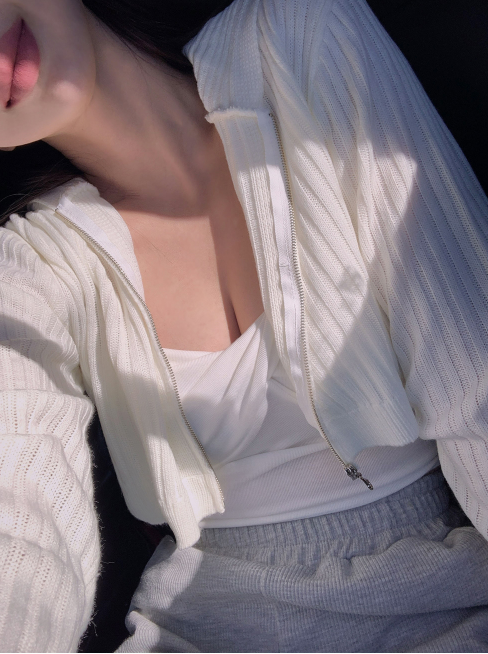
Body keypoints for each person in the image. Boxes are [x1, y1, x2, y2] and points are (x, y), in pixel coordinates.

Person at [1, 0, 488, 651]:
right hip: (199, 622)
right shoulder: (32, 263)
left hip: (441, 598)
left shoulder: (299, 37)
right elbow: (16, 512)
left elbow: (475, 387)